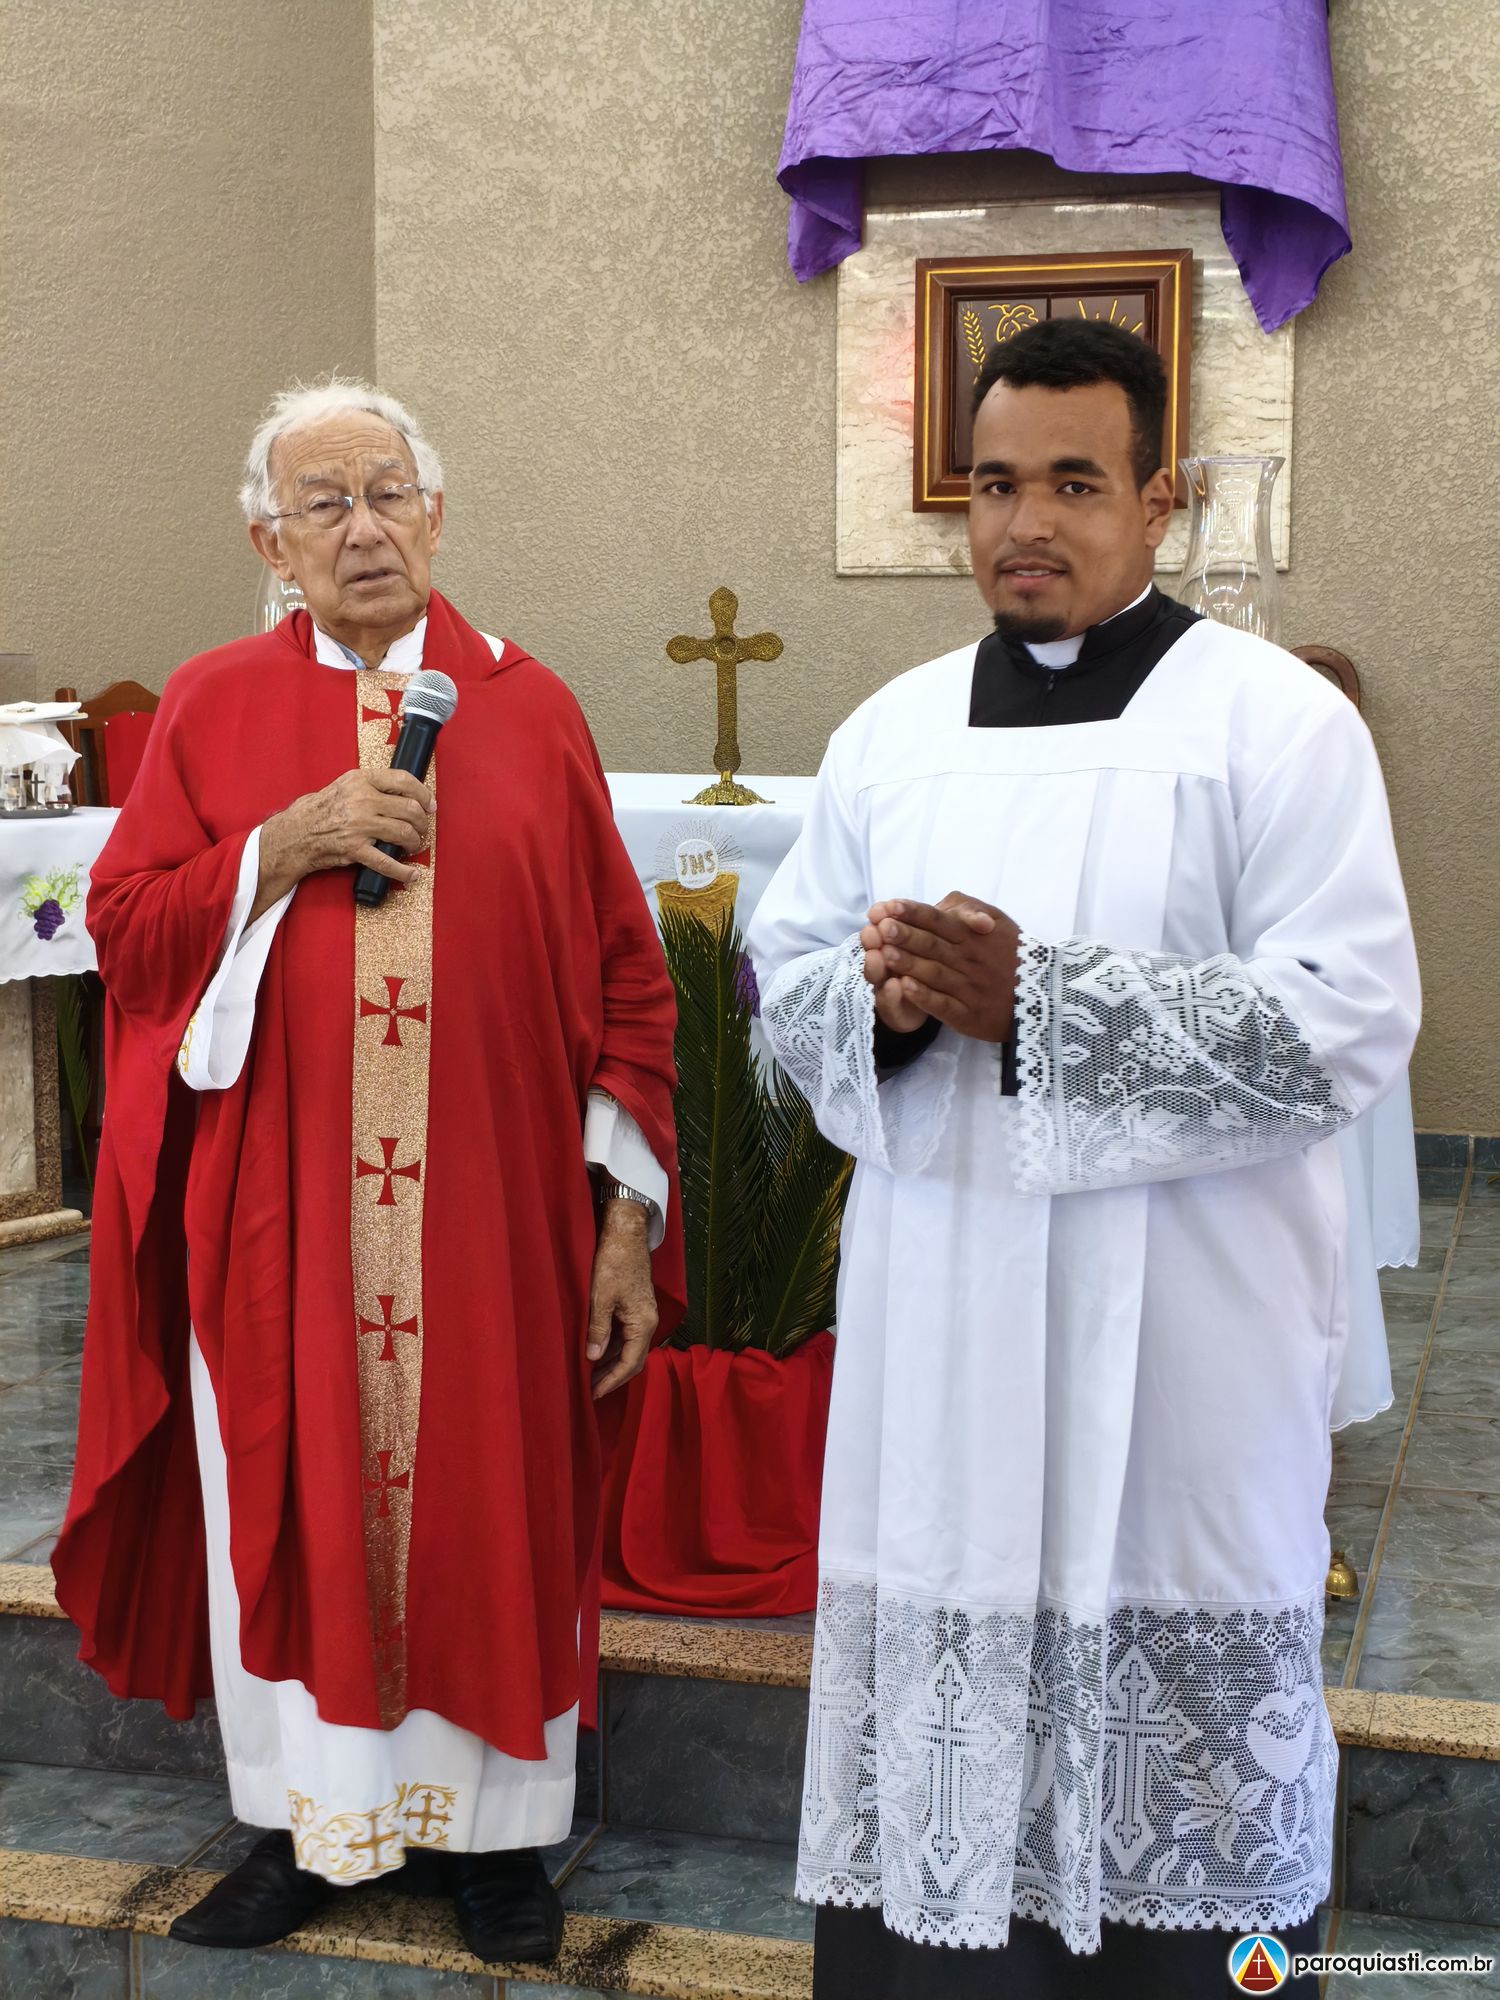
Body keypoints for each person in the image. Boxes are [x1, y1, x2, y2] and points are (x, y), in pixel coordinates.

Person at [748, 319, 1419, 1998]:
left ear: (1159, 500)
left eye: (1074, 482)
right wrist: (886, 1009)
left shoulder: (1273, 724)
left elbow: (1349, 1013)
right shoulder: (893, 731)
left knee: (1170, 1710)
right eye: (994, 486)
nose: (1027, 523)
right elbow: (786, 976)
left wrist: (1040, 1003)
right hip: (941, 1326)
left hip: (1187, 1331)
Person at [54, 381, 684, 1965]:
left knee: (490, 1506)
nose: (363, 528)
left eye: (387, 492)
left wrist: (624, 1222)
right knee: (289, 1494)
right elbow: (125, 931)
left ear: (438, 515)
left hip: (494, 1218)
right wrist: (287, 843)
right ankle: (302, 1831)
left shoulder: (532, 709)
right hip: (277, 1217)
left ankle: (502, 1846)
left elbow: (627, 977)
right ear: (270, 546)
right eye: (322, 503)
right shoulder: (211, 706)